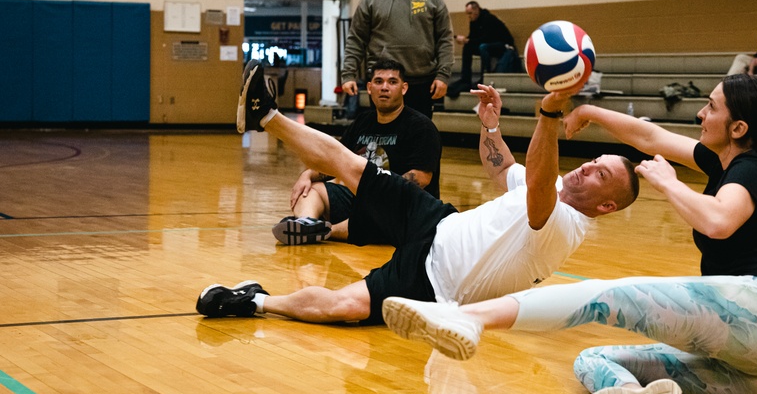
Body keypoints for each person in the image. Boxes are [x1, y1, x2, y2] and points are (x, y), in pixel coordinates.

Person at [381, 74, 757, 394]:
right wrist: (589, 112)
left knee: (607, 297)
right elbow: (651, 137)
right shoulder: (723, 162)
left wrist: (669, 182)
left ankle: (467, 318)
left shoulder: (755, 169)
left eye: (711, 107)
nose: (700, 115)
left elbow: (719, 221)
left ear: (739, 127)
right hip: (754, 370)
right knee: (592, 359)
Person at [199, 60, 639, 328]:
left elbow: (539, 186)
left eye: (600, 174)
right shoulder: (559, 186)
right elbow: (503, 167)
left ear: (606, 205)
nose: (587, 166)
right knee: (354, 167)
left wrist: (548, 111)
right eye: (593, 160)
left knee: (345, 307)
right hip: (437, 220)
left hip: (434, 283)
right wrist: (490, 126)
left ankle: (255, 300)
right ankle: (267, 115)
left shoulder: (566, 226)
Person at [272, 57, 442, 246]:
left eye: (392, 82)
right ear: (369, 88)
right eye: (379, 82)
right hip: (363, 198)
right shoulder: (362, 122)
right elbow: (336, 160)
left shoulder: (421, 127)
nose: (384, 87)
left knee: (377, 214)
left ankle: (322, 231)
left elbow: (421, 178)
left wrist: (378, 198)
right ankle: (307, 223)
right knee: (311, 189)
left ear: (404, 88)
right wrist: (308, 174)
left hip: (404, 205)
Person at [340, 0, 454, 118]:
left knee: (418, 139)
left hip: (422, 83)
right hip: (383, 82)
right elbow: (356, 39)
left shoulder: (434, 1)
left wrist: (443, 76)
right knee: (383, 139)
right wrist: (348, 74)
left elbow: (445, 41)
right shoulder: (371, 0)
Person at [448, 1, 518, 98]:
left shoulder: (488, 18)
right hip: (488, 45)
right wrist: (465, 40)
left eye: (470, 13)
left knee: (483, 47)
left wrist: (467, 40)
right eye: (467, 14)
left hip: (502, 45)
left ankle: (484, 76)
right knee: (468, 47)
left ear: (476, 10)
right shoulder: (473, 22)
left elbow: (487, 38)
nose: (469, 16)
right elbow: (473, 38)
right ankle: (465, 78)